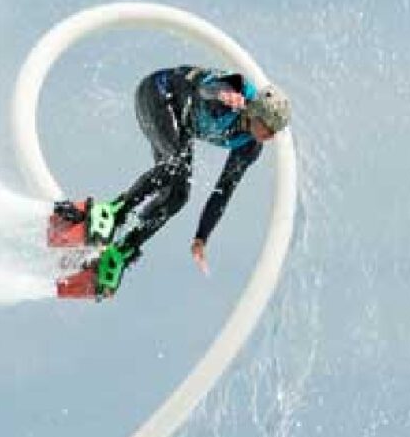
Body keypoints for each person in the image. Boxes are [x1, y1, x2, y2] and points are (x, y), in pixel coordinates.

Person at [62, 66, 291, 296]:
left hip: (179, 126)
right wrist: (221, 94)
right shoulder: (237, 89)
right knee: (176, 167)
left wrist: (202, 237)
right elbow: (204, 89)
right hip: (158, 95)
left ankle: (120, 251)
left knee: (178, 194)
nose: (270, 135)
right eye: (268, 126)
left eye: (275, 131)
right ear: (257, 112)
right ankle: (113, 211)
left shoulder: (249, 146)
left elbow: (223, 191)